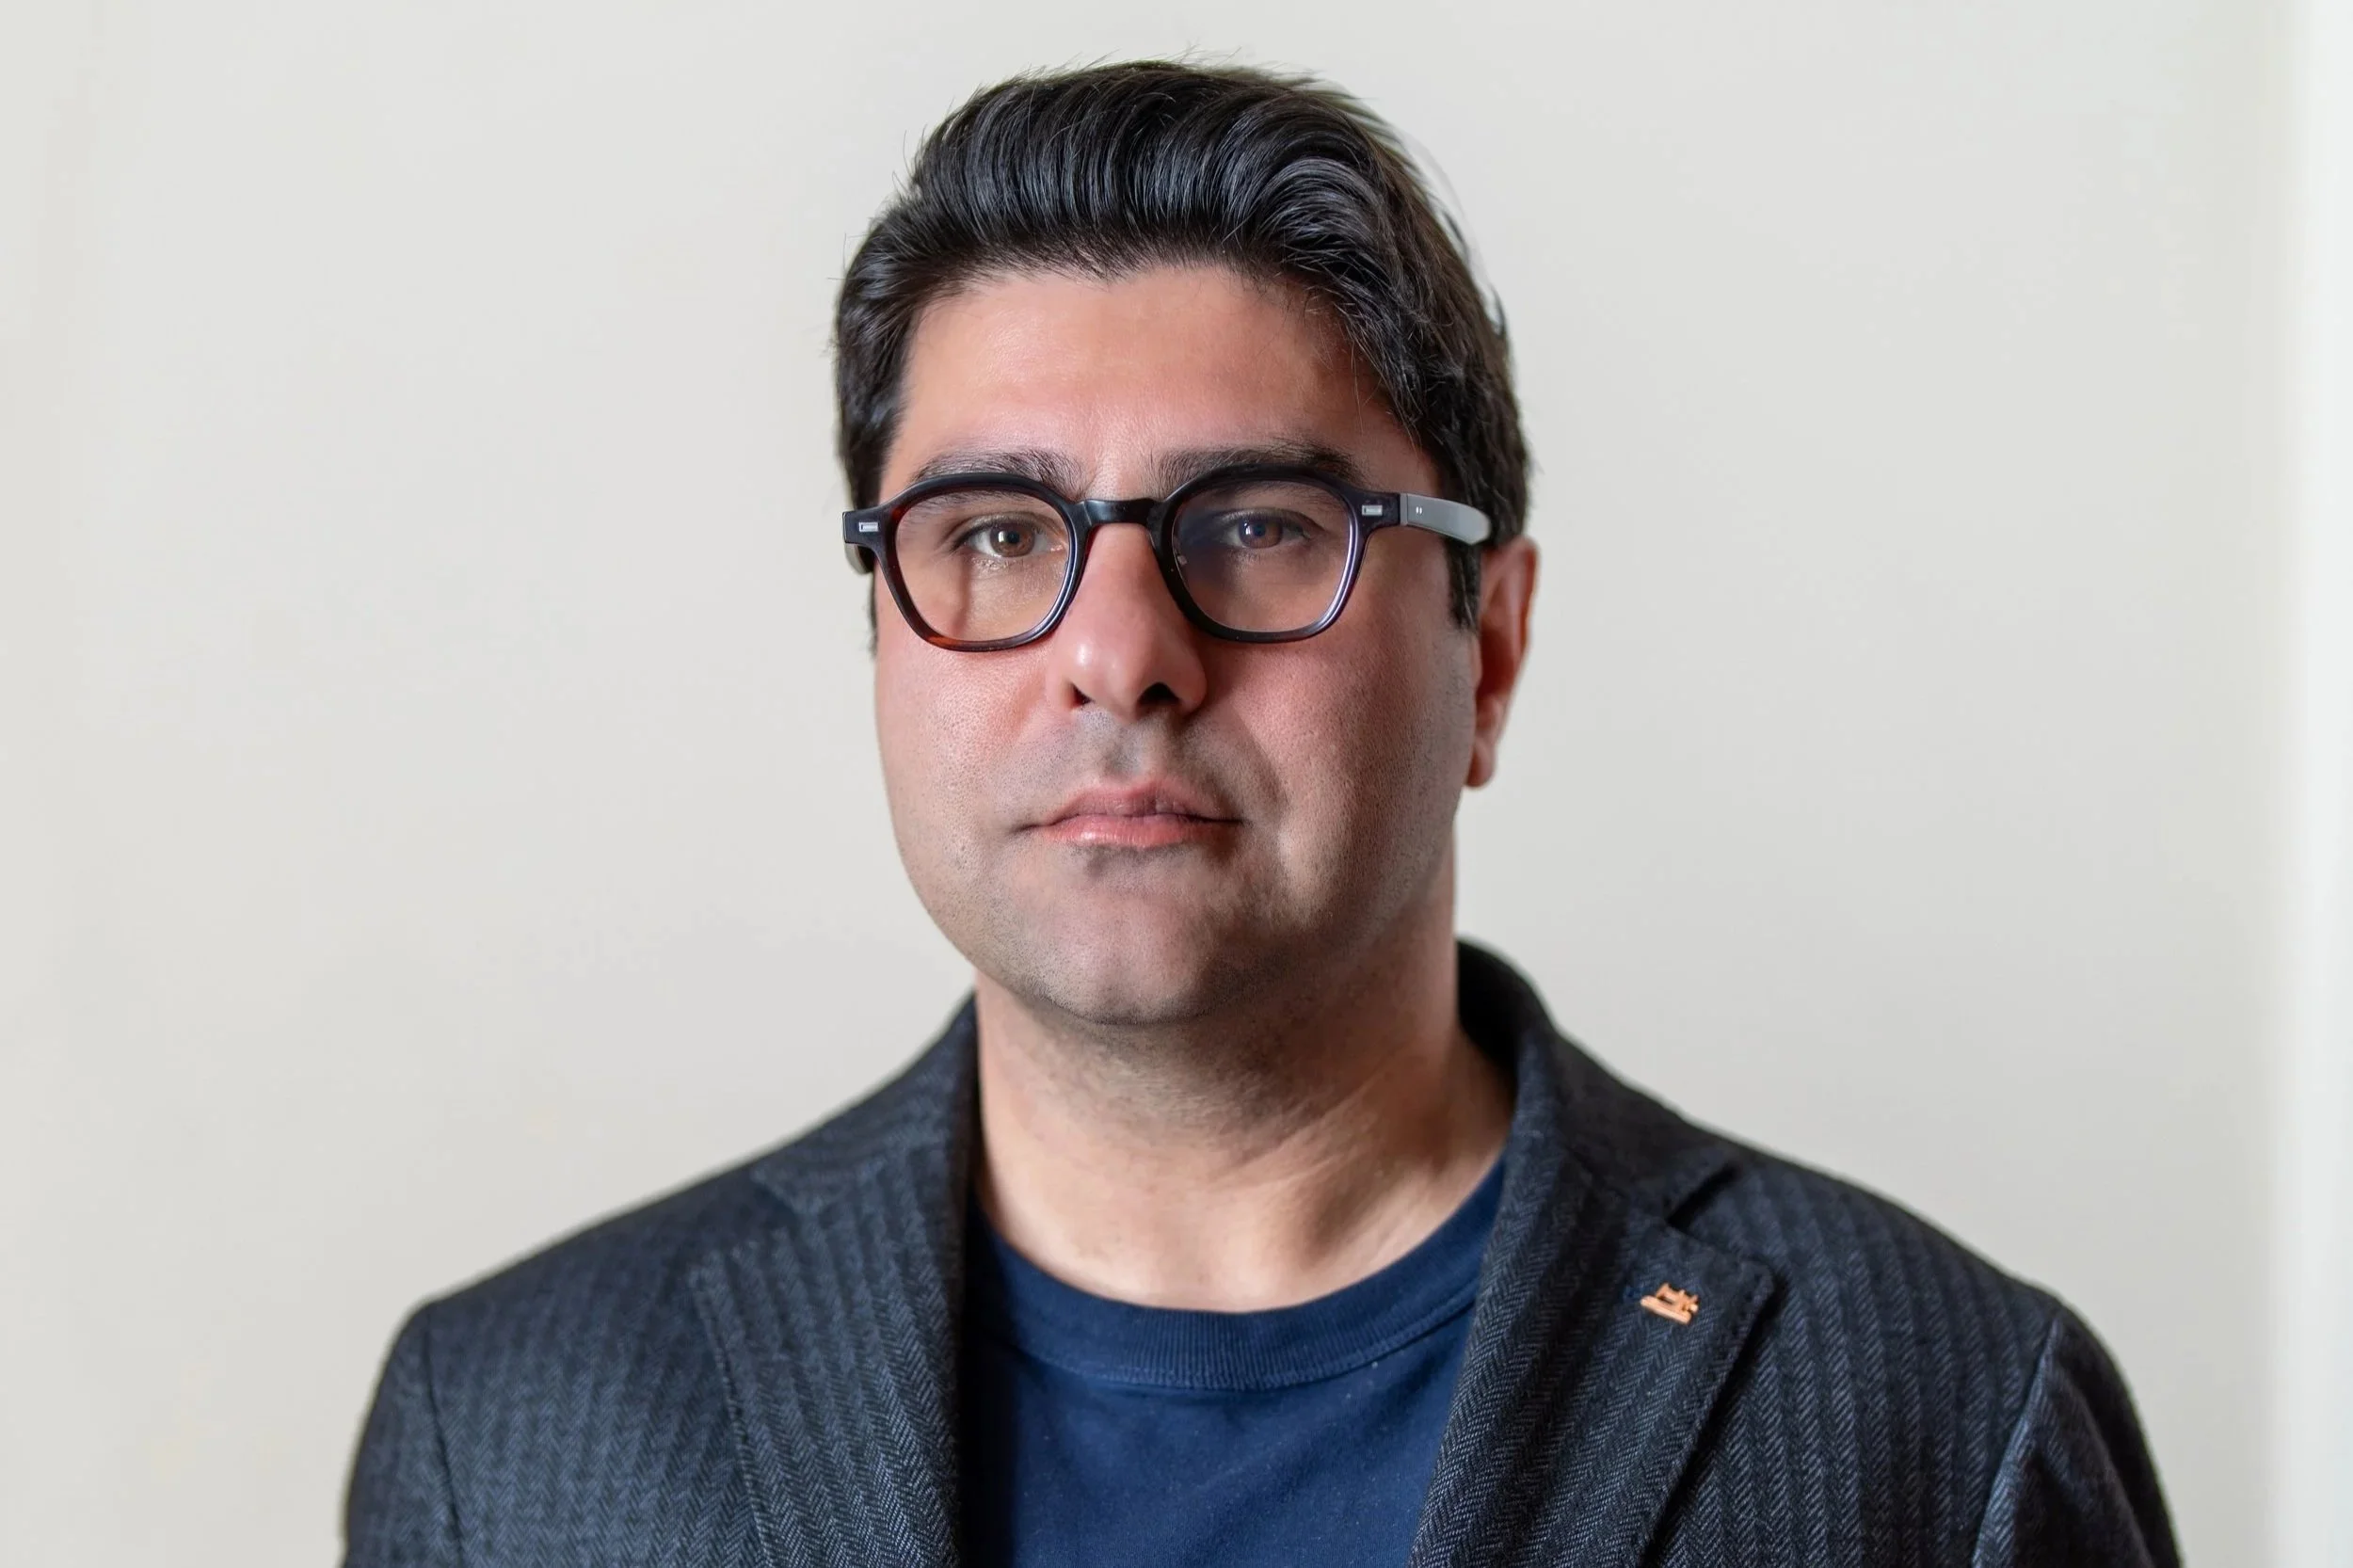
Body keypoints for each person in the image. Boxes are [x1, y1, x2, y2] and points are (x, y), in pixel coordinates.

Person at [344, 61, 2178, 1568]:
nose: (1117, 656)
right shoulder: (510, 1438)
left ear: (1495, 644)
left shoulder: (1936, 1421)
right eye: (993, 536)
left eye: (1253, 527)